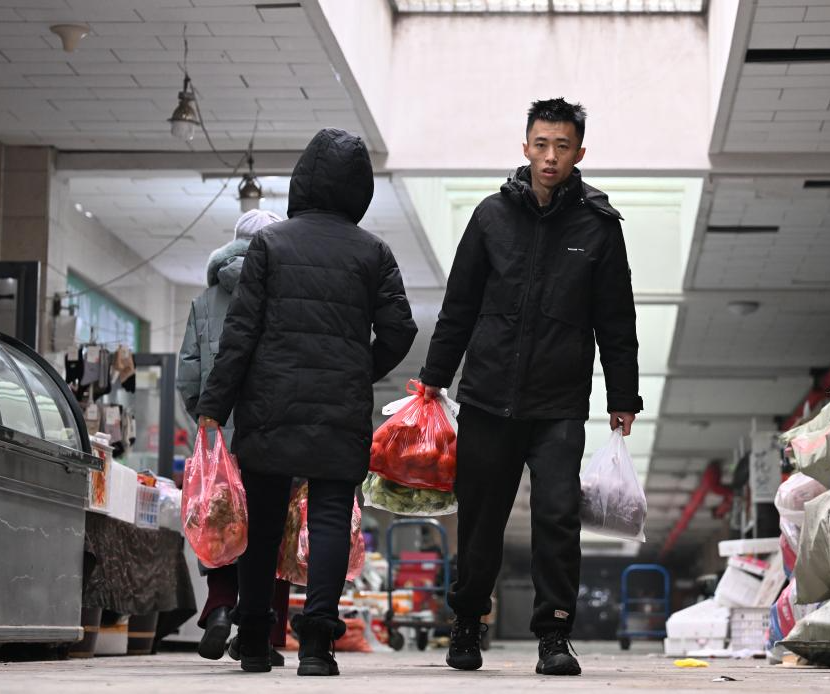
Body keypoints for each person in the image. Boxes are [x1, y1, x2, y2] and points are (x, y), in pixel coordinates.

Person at [419, 98, 642, 676]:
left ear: (579, 153)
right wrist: (434, 377)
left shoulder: (598, 227)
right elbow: (459, 305)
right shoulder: (491, 217)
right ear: (525, 147)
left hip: (558, 403)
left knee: (558, 518)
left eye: (562, 147)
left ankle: (554, 634)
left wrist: (623, 396)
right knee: (480, 519)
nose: (550, 157)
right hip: (488, 396)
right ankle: (467, 620)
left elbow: (617, 319)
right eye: (541, 145)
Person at [195, 127, 418, 676]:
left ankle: (253, 639)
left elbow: (240, 333)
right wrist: (359, 370)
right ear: (359, 188)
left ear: (303, 181)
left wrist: (214, 404)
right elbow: (400, 330)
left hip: (270, 404)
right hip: (339, 408)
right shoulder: (373, 251)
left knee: (264, 522)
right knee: (330, 519)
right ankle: (317, 644)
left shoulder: (272, 244)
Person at [176, 208, 291, 665]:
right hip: (274, 430)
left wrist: (207, 424)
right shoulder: (285, 290)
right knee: (272, 526)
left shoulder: (205, 301)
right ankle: (262, 634)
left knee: (222, 521)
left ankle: (222, 605)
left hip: (218, 433)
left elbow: (188, 374)